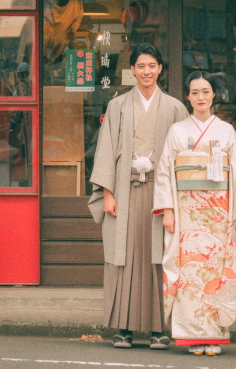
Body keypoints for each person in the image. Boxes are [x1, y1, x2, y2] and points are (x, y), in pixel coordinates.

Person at [88, 43, 188, 350]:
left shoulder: (174, 108)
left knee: (159, 258)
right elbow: (105, 151)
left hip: (162, 196)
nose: (146, 71)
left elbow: (184, 156)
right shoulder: (117, 106)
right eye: (140, 66)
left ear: (160, 69)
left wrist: (177, 201)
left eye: (152, 65)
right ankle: (124, 327)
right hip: (124, 191)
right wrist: (107, 193)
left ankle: (160, 329)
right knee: (124, 258)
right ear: (132, 70)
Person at [153, 71, 236, 356]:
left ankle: (214, 334)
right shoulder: (178, 131)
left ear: (213, 96)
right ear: (187, 96)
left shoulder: (225, 130)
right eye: (194, 92)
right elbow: (164, 172)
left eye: (205, 92)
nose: (200, 97)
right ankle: (190, 334)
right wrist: (168, 210)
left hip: (219, 212)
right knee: (189, 271)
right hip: (187, 211)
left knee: (216, 271)